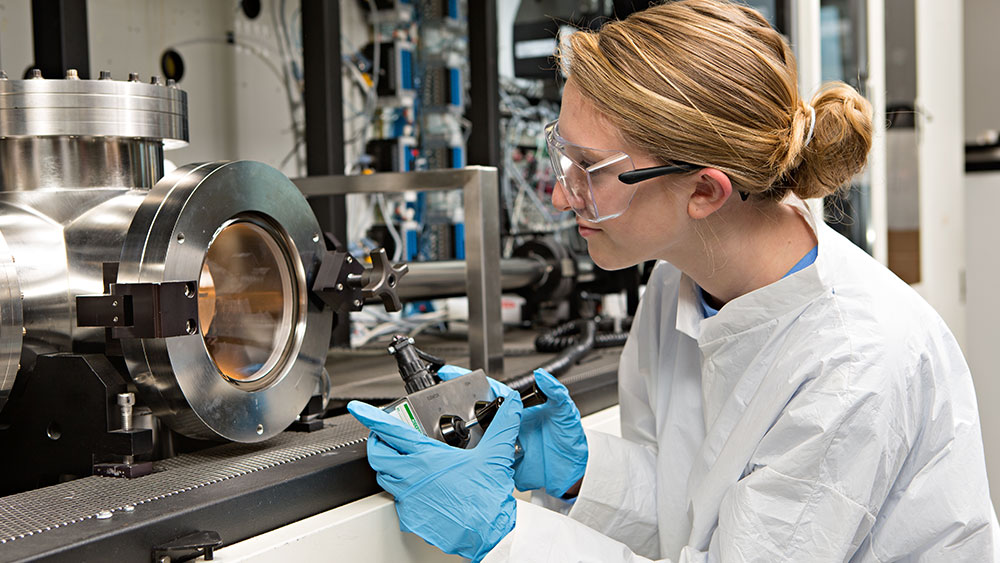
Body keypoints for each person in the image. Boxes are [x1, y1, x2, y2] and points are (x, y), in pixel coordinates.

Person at [348, 0, 1000, 561]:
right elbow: (692, 507)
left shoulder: (855, 368)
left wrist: (501, 535)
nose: (557, 190)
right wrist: (584, 474)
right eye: (561, 153)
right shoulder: (680, 281)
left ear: (705, 191)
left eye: (588, 167)